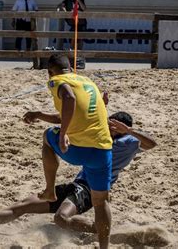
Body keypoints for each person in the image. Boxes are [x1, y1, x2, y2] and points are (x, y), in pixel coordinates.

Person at [0, 111, 156, 234]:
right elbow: (66, 120)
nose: (108, 127)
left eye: (112, 125)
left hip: (90, 189)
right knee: (22, 206)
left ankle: (99, 229)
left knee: (61, 219)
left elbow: (152, 144)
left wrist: (128, 130)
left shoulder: (128, 142)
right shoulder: (99, 134)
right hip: (77, 185)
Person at [21, 54, 112, 248]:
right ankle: (105, 247)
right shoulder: (88, 81)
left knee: (47, 137)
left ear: (49, 72)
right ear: (70, 67)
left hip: (79, 148)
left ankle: (50, 191)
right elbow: (68, 115)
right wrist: (38, 115)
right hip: (103, 148)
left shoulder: (56, 81)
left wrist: (62, 135)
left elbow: (69, 98)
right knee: (101, 202)